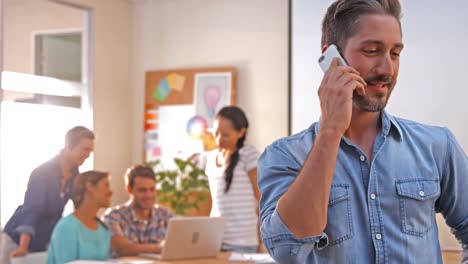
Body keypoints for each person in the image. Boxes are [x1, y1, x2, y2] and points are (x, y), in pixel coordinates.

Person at [258, 0, 468, 263]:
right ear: (331, 58)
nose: (387, 69)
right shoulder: (284, 156)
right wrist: (331, 131)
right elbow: (286, 251)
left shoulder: (437, 146)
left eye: (395, 53)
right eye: (372, 51)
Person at [0, 126, 94, 264]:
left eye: (90, 151)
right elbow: (32, 209)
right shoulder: (42, 172)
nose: (87, 155)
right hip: (18, 239)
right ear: (69, 146)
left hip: (43, 239)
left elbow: (79, 209)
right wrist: (23, 247)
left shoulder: (75, 176)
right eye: (85, 149)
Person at [198, 106, 262, 253]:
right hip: (215, 241)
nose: (219, 140)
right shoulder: (210, 158)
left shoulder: (249, 155)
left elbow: (263, 199)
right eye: (216, 133)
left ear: (241, 132)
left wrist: (261, 238)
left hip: (244, 242)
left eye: (225, 135)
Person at [103, 165, 174, 257]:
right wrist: (158, 248)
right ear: (129, 189)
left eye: (152, 189)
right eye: (142, 190)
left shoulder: (165, 215)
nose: (148, 195)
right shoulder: (113, 217)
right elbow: (122, 249)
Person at [46, 170, 113, 264]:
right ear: (89, 186)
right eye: (106, 185)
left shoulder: (103, 229)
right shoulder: (66, 227)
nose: (111, 191)